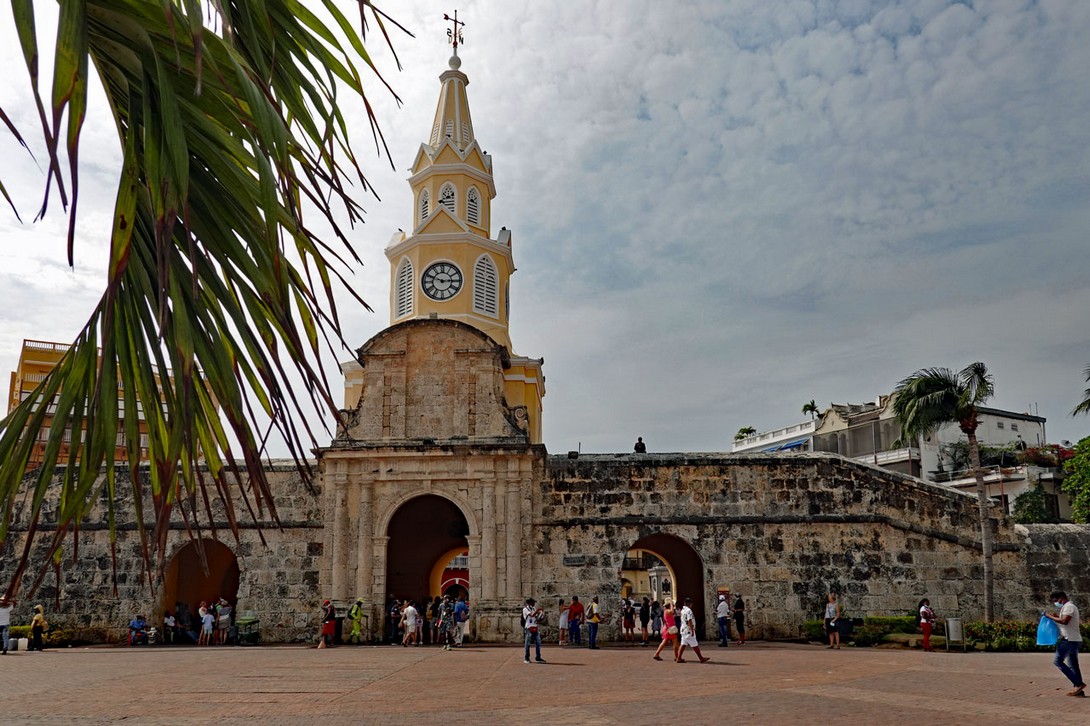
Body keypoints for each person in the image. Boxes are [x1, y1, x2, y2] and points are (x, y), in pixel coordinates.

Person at [1044, 590, 1085, 696]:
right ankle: (1078, 689)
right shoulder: (1066, 607)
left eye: (1056, 600)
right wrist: (1056, 616)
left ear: (1061, 598)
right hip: (1073, 639)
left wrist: (1050, 616)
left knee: (1058, 661)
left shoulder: (1069, 607)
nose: (1055, 602)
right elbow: (1064, 621)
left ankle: (1078, 684)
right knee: (1073, 665)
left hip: (1069, 640)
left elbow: (1065, 621)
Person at [676, 597, 710, 663]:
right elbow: (689, 620)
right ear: (690, 604)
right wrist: (692, 629)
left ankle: (679, 657)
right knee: (694, 644)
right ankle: (701, 658)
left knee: (683, 644)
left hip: (683, 629)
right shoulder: (689, 611)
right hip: (688, 630)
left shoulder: (683, 610)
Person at [522, 598, 546, 663]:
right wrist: (538, 610)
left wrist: (541, 616)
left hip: (535, 627)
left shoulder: (534, 609)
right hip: (528, 628)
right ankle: (526, 658)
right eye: (532, 602)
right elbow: (532, 615)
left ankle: (538, 657)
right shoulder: (525, 609)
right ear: (529, 603)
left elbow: (536, 618)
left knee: (538, 642)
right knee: (528, 643)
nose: (534, 604)